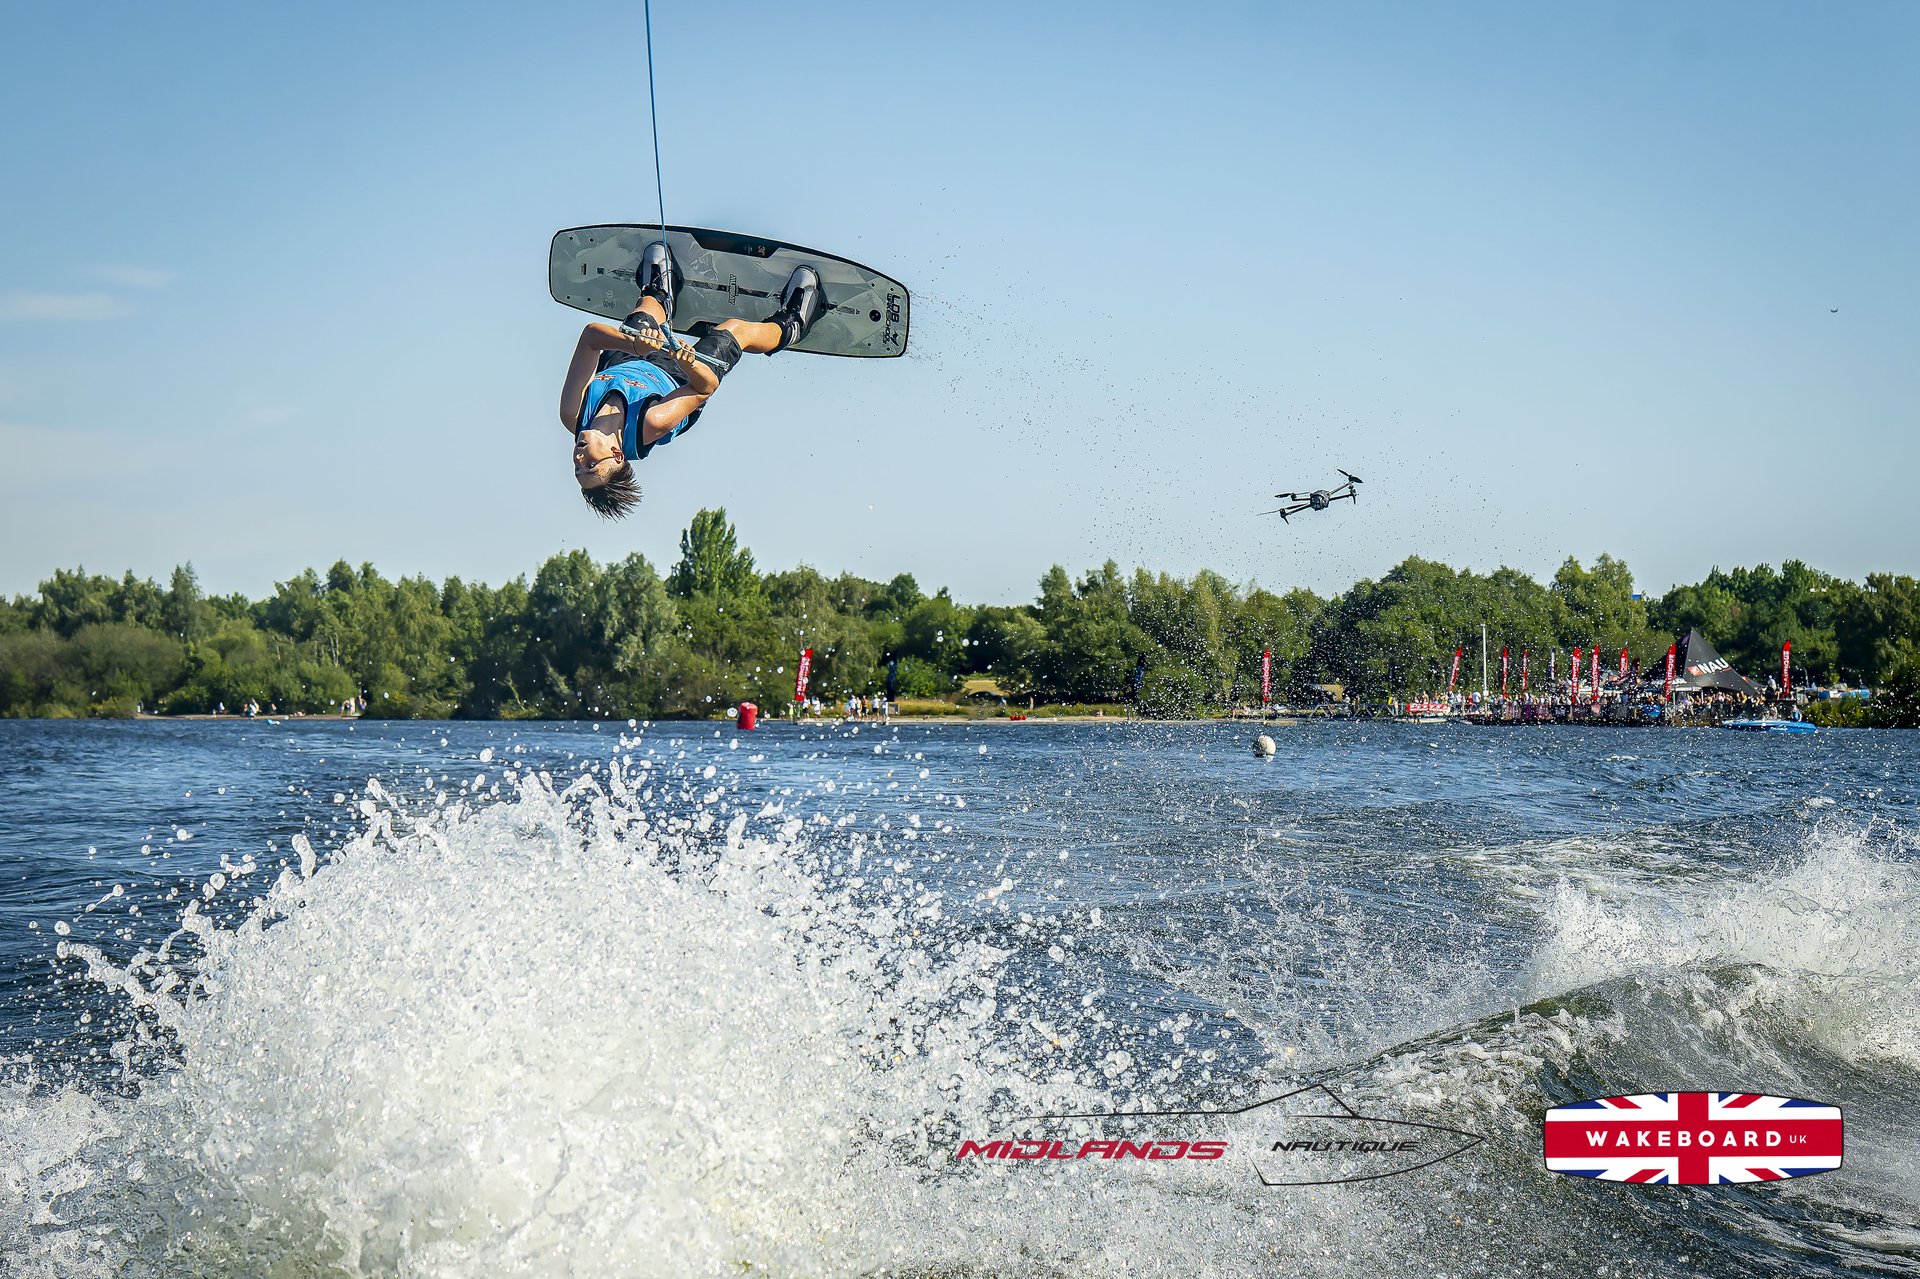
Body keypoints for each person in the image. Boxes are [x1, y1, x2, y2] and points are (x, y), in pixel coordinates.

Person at [559, 243, 827, 518]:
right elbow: (704, 388)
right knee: (733, 330)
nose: (580, 459)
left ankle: (659, 292)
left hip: (625, 363)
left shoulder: (573, 413)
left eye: (578, 469)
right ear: (616, 454)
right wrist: (690, 363)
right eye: (591, 465)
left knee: (643, 319)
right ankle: (791, 324)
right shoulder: (652, 422)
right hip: (679, 380)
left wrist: (634, 344)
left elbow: (590, 337)